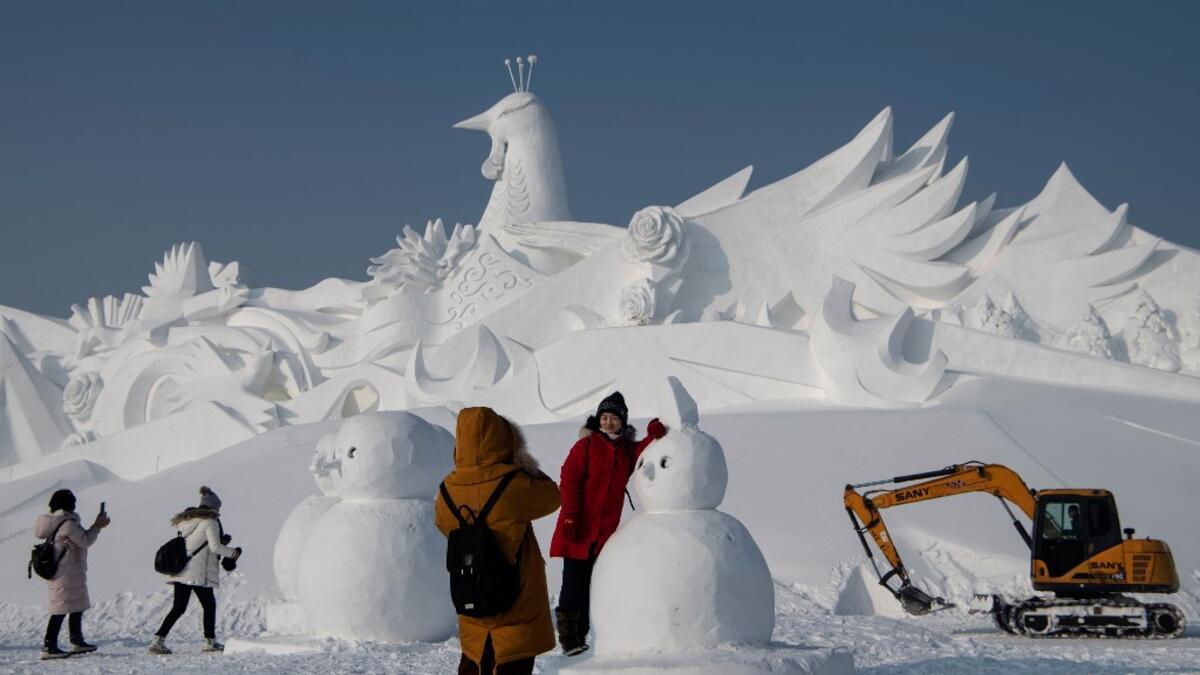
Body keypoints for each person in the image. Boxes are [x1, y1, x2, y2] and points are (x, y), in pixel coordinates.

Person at [435, 407, 561, 675]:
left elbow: (442, 524)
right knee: (510, 662)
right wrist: (525, 465)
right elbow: (552, 497)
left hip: (471, 601)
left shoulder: (447, 488)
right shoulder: (515, 482)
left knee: (474, 664)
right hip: (515, 605)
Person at [548, 392, 666, 656]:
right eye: (604, 417)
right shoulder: (586, 446)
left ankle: (583, 635)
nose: (608, 422)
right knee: (573, 582)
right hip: (578, 527)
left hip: (603, 533)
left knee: (593, 582)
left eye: (613, 418)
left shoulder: (625, 450)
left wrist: (654, 434)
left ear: (623, 421)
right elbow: (569, 480)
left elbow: (642, 449)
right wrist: (569, 515)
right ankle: (569, 638)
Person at [148, 486, 241, 655]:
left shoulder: (189, 521)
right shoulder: (210, 522)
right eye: (218, 508)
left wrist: (221, 540)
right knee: (209, 606)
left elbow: (196, 542)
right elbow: (215, 547)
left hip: (182, 571)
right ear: (214, 507)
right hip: (198, 573)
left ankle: (157, 640)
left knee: (178, 608)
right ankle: (210, 641)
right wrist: (234, 553)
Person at [33, 489, 109, 659]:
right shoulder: (68, 523)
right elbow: (85, 541)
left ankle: (77, 640)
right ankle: (49, 645)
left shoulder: (54, 521)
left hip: (64, 571)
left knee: (76, 604)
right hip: (66, 572)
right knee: (61, 608)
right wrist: (97, 526)